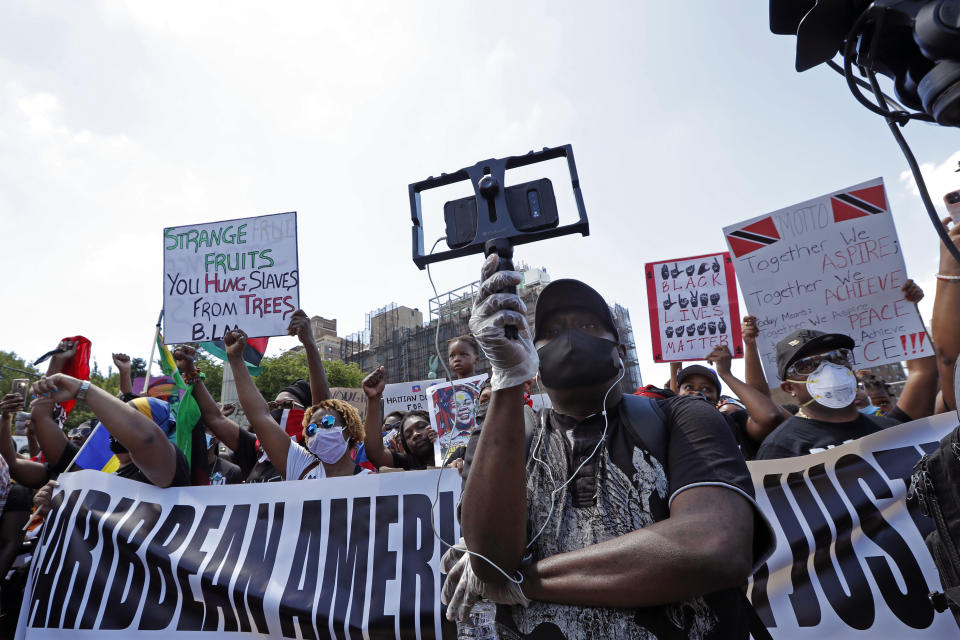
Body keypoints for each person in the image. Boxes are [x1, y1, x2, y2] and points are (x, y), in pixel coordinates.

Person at [449, 257, 773, 639]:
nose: (570, 338)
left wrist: (523, 582)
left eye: (587, 325)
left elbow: (714, 546)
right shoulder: (502, 438)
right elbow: (491, 563)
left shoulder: (685, 416)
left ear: (618, 350)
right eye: (551, 330)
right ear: (532, 357)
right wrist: (506, 378)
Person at [756, 280, 938, 460]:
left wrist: (909, 311)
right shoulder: (782, 449)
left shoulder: (889, 428)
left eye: (837, 357)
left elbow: (924, 374)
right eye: (809, 364)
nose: (828, 369)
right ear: (789, 388)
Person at [224, 328, 367, 479]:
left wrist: (309, 343)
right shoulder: (301, 466)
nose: (318, 431)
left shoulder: (371, 480)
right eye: (311, 429)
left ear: (350, 430)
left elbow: (324, 401)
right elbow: (260, 415)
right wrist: (236, 359)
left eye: (327, 422)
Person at [30, 374, 190, 487]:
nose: (117, 425)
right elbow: (41, 419)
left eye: (131, 419)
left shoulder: (167, 469)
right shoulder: (91, 464)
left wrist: (83, 390)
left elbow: (147, 439)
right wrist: (56, 505)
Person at [675, 346, 788, 460]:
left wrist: (725, 373)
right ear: (677, 393)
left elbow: (770, 416)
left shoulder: (735, 423)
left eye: (706, 389)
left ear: (717, 398)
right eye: (689, 387)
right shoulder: (666, 423)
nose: (697, 392)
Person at [361, 366, 438, 470]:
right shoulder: (407, 463)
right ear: (406, 445)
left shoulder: (460, 453)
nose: (415, 434)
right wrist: (374, 399)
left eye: (421, 426)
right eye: (408, 435)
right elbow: (375, 453)